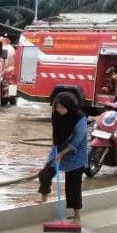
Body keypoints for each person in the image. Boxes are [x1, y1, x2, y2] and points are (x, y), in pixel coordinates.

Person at [36, 92, 87, 223]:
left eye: (62, 107)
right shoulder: (56, 115)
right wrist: (55, 151)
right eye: (57, 107)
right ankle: (44, 195)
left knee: (73, 186)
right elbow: (56, 133)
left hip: (76, 154)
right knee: (45, 172)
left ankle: (77, 216)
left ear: (69, 106)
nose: (60, 110)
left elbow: (77, 140)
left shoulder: (79, 118)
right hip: (59, 149)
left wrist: (62, 154)